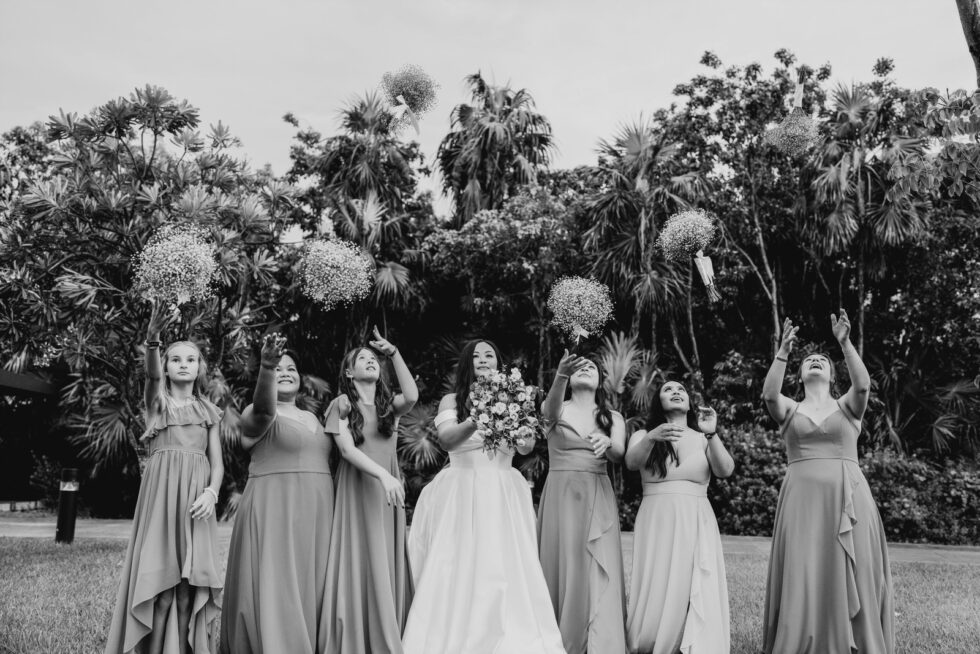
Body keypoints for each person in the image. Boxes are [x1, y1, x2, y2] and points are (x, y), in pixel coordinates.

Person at [402, 339, 566, 654]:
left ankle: (508, 633)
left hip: (503, 490)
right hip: (462, 490)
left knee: (505, 563)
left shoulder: (516, 397)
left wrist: (512, 417)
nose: (483, 359)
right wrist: (478, 417)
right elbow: (448, 440)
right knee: (458, 562)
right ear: (467, 365)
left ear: (499, 364)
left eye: (489, 354)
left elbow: (526, 447)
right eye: (475, 356)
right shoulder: (453, 400)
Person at [761, 311, 894, 653]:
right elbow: (769, 396)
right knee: (803, 568)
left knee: (856, 567)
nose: (816, 361)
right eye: (809, 361)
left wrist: (845, 343)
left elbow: (863, 384)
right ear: (801, 375)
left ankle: (857, 641)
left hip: (847, 495)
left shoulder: (848, 407)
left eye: (822, 360)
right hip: (802, 500)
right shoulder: (789, 409)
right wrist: (783, 352)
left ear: (833, 374)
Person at [106, 302, 223, 654]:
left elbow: (216, 463)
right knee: (160, 586)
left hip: (196, 502)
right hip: (162, 498)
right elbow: (152, 377)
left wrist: (212, 493)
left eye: (191, 359)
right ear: (168, 368)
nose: (183, 364)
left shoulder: (209, 411)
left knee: (188, 589)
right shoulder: (158, 404)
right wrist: (153, 340)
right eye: (176, 359)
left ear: (200, 368)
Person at [219, 336, 334, 653]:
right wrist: (267, 366)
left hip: (317, 513)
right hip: (275, 509)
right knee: (277, 580)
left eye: (291, 368)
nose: (286, 372)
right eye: (278, 368)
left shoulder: (314, 418)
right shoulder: (255, 412)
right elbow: (266, 412)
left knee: (312, 580)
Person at [319, 328, 418, 654]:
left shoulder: (390, 408)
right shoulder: (342, 404)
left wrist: (393, 353)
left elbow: (413, 396)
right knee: (358, 559)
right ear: (349, 372)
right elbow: (346, 451)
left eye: (374, 359)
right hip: (358, 490)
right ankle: (356, 637)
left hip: (386, 496)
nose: (370, 361)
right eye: (362, 359)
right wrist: (384, 477)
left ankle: (387, 631)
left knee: (384, 559)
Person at [624, 380, 734, 654]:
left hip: (696, 516)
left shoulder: (702, 437)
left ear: (689, 403)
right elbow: (631, 462)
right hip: (657, 517)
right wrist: (652, 437)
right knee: (657, 579)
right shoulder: (643, 435)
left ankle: (694, 641)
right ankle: (651, 639)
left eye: (681, 390)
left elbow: (725, 470)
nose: (676, 392)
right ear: (658, 402)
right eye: (667, 389)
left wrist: (712, 434)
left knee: (692, 578)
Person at [537, 350, 628, 654]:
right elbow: (547, 416)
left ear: (600, 380)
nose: (586, 369)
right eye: (580, 367)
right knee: (562, 561)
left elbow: (620, 454)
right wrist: (560, 374)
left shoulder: (612, 417)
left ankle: (601, 639)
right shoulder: (555, 408)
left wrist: (610, 443)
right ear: (569, 377)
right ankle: (558, 636)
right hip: (560, 496)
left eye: (592, 367)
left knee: (596, 564)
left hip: (596, 492)